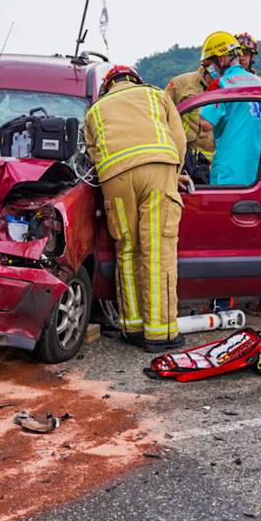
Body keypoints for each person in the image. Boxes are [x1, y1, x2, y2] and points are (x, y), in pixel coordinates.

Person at [84, 65, 188, 353]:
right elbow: (179, 140)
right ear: (135, 80)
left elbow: (93, 153)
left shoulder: (95, 110)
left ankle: (132, 327)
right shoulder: (155, 95)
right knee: (158, 250)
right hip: (157, 170)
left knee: (127, 249)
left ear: (108, 86)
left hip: (114, 178)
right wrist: (174, 172)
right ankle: (161, 333)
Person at [198, 31, 261, 186]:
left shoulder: (221, 84)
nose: (209, 70)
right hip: (259, 171)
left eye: (209, 64)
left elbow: (206, 123)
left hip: (230, 170)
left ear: (222, 59)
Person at [165, 57, 217, 182]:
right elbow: (162, 118)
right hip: (189, 164)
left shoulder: (231, 85)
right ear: (207, 64)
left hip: (220, 165)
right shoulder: (181, 84)